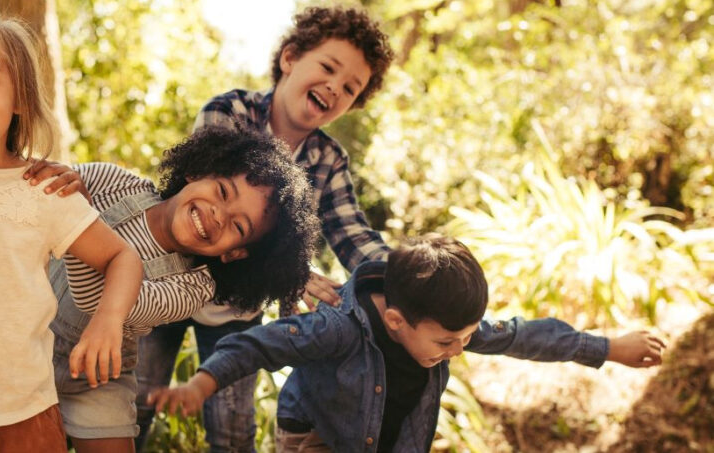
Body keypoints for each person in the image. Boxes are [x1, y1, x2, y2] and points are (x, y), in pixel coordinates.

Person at [133, 6, 397, 450]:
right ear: (290, 58)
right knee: (134, 403)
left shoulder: (327, 160)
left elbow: (352, 234)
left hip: (237, 308)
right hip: (165, 283)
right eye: (328, 68)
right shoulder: (229, 111)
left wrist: (404, 277)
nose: (335, 87)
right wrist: (295, 275)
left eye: (350, 88)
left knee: (234, 429)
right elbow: (202, 222)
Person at [147, 235, 666, 452]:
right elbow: (261, 344)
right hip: (318, 438)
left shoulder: (443, 327)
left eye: (465, 338)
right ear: (395, 320)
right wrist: (202, 382)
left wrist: (608, 347)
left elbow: (522, 335)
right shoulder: (339, 329)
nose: (459, 350)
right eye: (447, 342)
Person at [0, 7, 143, 452]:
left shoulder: (43, 190)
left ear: (19, 95)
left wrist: (108, 321)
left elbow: (123, 257)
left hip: (23, 421)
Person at [48, 125, 319, 453]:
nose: (219, 214)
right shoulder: (114, 182)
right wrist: (57, 182)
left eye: (238, 226)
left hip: (96, 380)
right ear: (196, 172)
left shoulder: (192, 288)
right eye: (222, 191)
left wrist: (79, 218)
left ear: (235, 253)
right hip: (25, 335)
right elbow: (41, 190)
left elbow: (96, 300)